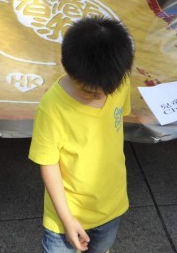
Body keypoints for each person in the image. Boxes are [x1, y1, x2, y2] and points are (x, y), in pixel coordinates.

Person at [29, 17, 134, 253]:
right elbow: (48, 163)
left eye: (106, 91)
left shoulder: (119, 81)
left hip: (111, 205)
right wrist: (67, 220)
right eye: (88, 91)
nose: (99, 97)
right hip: (65, 212)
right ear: (67, 67)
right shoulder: (52, 107)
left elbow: (115, 124)